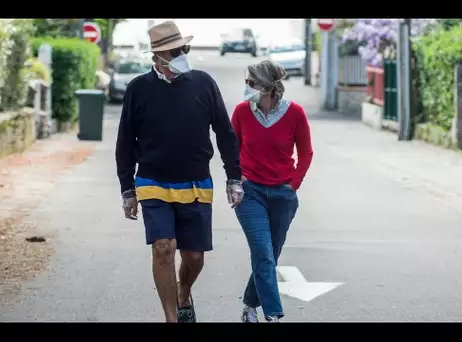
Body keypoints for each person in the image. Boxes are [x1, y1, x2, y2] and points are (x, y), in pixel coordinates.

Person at [115, 21, 244, 323]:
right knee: (163, 248)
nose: (181, 55)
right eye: (174, 52)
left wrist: (234, 177)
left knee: (194, 256)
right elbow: (125, 143)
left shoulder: (204, 84)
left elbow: (225, 133)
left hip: (196, 181)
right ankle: (171, 318)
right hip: (152, 181)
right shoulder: (138, 89)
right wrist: (127, 189)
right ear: (157, 58)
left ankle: (183, 292)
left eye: (183, 49)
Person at [231, 60, 314, 323]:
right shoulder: (242, 112)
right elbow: (230, 149)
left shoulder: (295, 113)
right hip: (250, 193)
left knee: (270, 255)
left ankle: (249, 306)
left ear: (268, 86)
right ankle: (273, 315)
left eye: (251, 83)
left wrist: (294, 183)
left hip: (282, 195)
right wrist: (235, 179)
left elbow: (306, 152)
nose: (247, 87)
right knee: (263, 253)